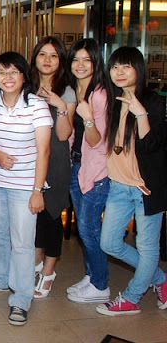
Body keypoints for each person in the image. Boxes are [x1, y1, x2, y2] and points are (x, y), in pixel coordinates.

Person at [0, 51, 52, 326]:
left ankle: (21, 297)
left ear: (23, 76)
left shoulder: (36, 105)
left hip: (25, 185)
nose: (7, 78)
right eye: (2, 72)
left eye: (13, 72)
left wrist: (37, 190)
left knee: (22, 242)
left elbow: (44, 150)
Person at [97, 47, 167, 316]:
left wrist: (140, 112)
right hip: (118, 186)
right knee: (109, 243)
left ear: (139, 68)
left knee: (147, 248)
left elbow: (151, 146)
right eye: (115, 67)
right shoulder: (115, 100)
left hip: (143, 188)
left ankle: (132, 297)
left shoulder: (151, 101)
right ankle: (160, 279)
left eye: (126, 66)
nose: (120, 72)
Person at [29, 37, 76, 298]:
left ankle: (48, 272)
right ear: (35, 57)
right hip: (31, 159)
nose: (47, 60)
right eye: (43, 54)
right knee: (34, 217)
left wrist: (60, 107)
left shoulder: (66, 90)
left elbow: (63, 135)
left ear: (60, 61)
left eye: (54, 55)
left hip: (56, 161)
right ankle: (35, 264)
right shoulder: (26, 86)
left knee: (52, 216)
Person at [65, 38, 111, 304]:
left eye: (87, 60)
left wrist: (87, 115)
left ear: (96, 63)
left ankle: (101, 284)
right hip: (77, 166)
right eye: (76, 59)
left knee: (89, 229)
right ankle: (92, 275)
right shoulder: (75, 90)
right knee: (85, 229)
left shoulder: (100, 94)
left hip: (96, 171)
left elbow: (96, 140)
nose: (80, 65)